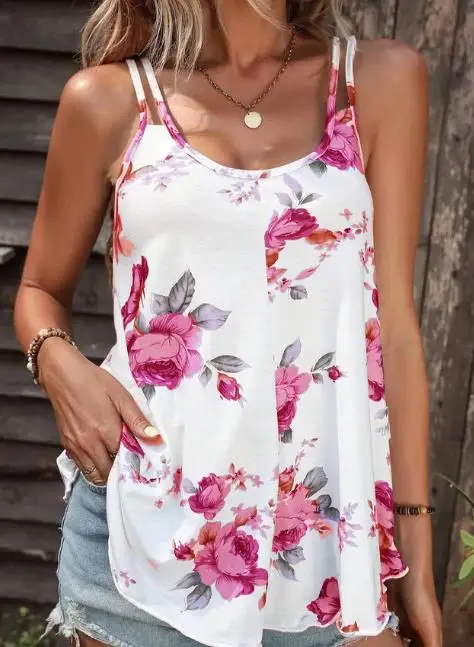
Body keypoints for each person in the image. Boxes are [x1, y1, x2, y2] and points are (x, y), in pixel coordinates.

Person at [14, 1, 443, 646]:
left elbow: (396, 330)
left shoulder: (378, 82)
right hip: (140, 538)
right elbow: (39, 290)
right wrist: (57, 362)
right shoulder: (110, 100)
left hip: (328, 557)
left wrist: (414, 546)